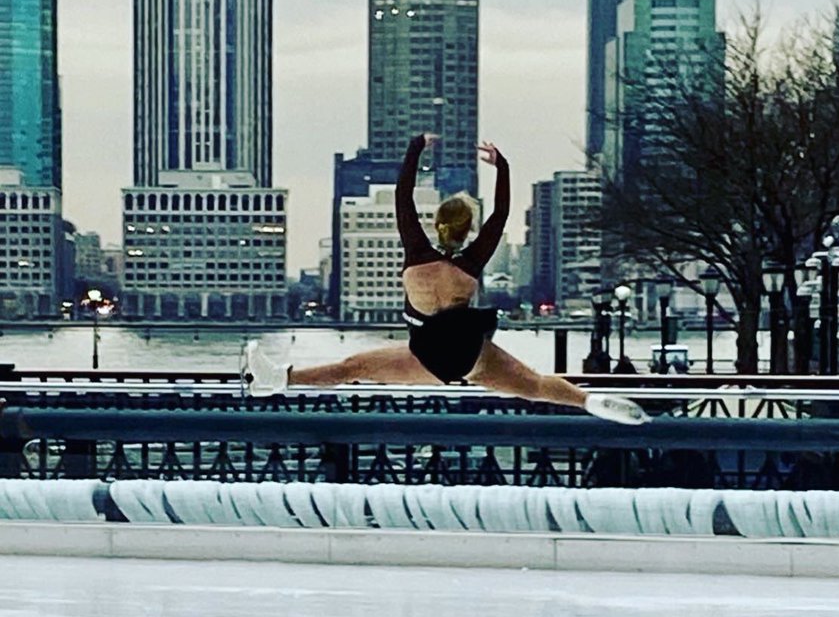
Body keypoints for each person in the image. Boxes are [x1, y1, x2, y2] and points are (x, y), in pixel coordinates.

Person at [241, 133, 646, 424]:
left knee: (352, 366)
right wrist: (502, 167)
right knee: (537, 384)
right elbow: (501, 214)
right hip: (471, 356)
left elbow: (402, 197)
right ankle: (591, 401)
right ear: (469, 229)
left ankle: (275, 379)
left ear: (436, 224)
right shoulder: (469, 265)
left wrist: (416, 148)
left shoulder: (417, 254)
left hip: (428, 357)